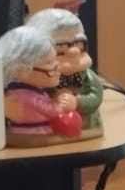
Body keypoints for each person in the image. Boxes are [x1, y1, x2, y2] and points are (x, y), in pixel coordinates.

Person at [27, 8, 104, 138]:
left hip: (85, 123)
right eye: (61, 46)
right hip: (48, 125)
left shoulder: (87, 76)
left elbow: (96, 96)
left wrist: (78, 102)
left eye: (79, 43)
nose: (74, 51)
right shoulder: (40, 77)